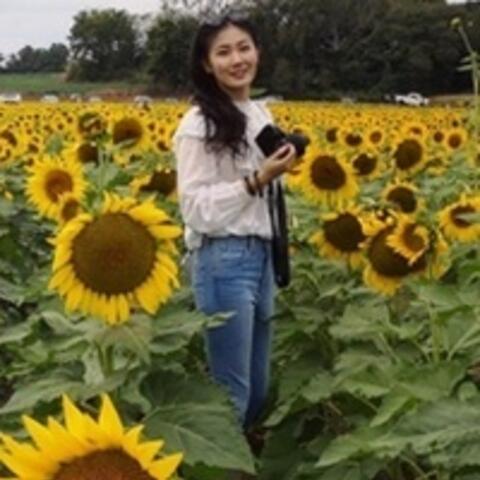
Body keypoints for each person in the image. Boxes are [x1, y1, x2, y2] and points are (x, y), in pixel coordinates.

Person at [172, 12, 296, 433]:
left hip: (262, 256)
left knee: (258, 390)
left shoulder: (258, 112)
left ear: (258, 51)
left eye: (244, 48)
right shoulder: (198, 124)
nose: (237, 59)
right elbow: (196, 209)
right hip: (223, 259)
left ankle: (240, 454)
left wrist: (280, 167)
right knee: (232, 394)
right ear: (207, 64)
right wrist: (258, 178)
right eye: (223, 52)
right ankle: (221, 460)